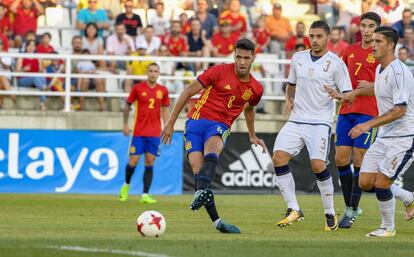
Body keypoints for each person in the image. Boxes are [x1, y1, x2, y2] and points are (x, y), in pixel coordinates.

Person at [161, 39, 266, 234]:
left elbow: (249, 110)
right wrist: (170, 122)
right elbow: (187, 92)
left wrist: (252, 135)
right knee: (198, 170)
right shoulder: (218, 71)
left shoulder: (256, 88)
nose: (242, 62)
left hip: (220, 124)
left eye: (246, 58)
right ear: (234, 56)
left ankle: (201, 193)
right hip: (195, 121)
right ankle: (217, 222)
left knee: (212, 149)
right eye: (239, 57)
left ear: (253, 59)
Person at [272, 21, 353, 231]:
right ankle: (293, 209)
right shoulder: (298, 58)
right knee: (278, 158)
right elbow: (291, 85)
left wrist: (340, 96)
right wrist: (289, 99)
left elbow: (348, 95)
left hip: (319, 122)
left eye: (319, 36)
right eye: (312, 36)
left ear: (327, 37)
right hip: (296, 119)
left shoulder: (336, 63)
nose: (314, 40)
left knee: (318, 165)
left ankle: (329, 212)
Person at [347, 26, 414, 237]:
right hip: (385, 135)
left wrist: (368, 124)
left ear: (391, 45)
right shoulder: (380, 69)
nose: (372, 45)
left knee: (382, 184)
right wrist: (349, 94)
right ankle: (409, 198)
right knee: (365, 182)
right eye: (372, 41)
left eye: (378, 41)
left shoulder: (399, 71)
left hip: (404, 137)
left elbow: (400, 110)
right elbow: (377, 88)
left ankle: (388, 228)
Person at [326, 12, 381, 229]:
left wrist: (369, 87)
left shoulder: (380, 53)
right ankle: (351, 206)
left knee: (359, 158)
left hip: (368, 112)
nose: (366, 30)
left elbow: (383, 86)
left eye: (371, 26)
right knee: (340, 159)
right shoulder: (349, 51)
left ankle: (351, 210)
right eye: (364, 26)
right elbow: (339, 77)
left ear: (377, 28)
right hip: (346, 110)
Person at [119, 63, 170, 204]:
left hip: (154, 133)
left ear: (159, 73)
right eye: (151, 71)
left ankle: (145, 195)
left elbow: (165, 110)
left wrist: (167, 127)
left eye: (155, 71)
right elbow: (127, 106)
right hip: (139, 132)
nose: (153, 74)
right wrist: (125, 124)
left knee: (150, 162)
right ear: (146, 73)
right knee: (133, 162)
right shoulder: (138, 88)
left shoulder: (163, 91)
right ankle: (126, 185)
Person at [15, 40, 48, 111]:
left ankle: (42, 104)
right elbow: (16, 73)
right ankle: (44, 87)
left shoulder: (38, 57)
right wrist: (24, 69)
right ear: (26, 47)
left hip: (35, 81)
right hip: (23, 80)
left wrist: (42, 70)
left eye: (33, 46)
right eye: (29, 45)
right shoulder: (21, 57)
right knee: (35, 77)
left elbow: (40, 71)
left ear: (35, 48)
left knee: (41, 78)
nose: (31, 47)